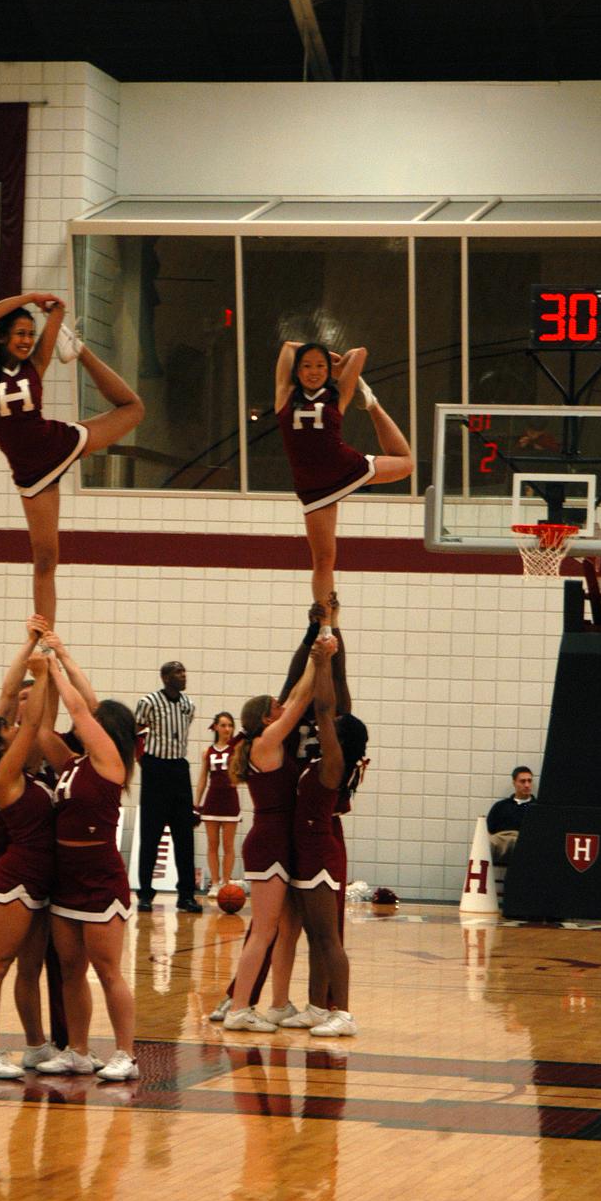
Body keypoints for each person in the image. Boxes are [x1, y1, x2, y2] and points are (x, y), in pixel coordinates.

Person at [0, 295, 144, 626]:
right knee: (45, 559)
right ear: (3, 337)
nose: (27, 340)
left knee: (133, 409)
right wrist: (32, 298)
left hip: (57, 444)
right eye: (20, 333)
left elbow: (59, 311)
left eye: (30, 334)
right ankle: (44, 640)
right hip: (32, 474)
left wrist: (56, 312)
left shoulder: (35, 365)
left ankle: (79, 351)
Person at [36, 642, 139, 1082]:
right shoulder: (74, 762)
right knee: (70, 969)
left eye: (96, 722)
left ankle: (125, 1053)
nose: (85, 723)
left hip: (99, 875)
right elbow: (44, 731)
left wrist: (53, 665)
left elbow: (81, 709)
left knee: (108, 970)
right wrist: (53, 664)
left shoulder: (110, 762)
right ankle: (78, 1051)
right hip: (66, 876)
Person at [222, 641, 333, 1033]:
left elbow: (296, 695)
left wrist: (315, 657)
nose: (282, 707)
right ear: (267, 718)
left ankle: (279, 1004)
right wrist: (318, 660)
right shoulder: (265, 743)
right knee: (264, 929)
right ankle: (238, 1009)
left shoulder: (265, 740)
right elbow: (300, 700)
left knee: (289, 930)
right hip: (268, 841)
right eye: (276, 705)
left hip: (282, 840)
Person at [275, 341, 413, 636]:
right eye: (307, 366)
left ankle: (373, 405)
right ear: (297, 370)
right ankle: (326, 627)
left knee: (406, 463)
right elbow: (287, 347)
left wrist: (336, 366)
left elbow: (360, 353)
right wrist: (324, 357)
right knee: (323, 559)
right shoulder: (284, 395)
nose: (314, 371)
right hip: (313, 488)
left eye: (320, 366)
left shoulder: (336, 396)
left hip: (343, 468)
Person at [0, 651, 57, 1081]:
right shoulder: (5, 774)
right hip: (16, 879)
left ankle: (36, 1046)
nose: (14, 727)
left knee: (30, 969)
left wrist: (48, 671)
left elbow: (41, 726)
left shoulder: (29, 773)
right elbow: (34, 724)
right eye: (7, 728)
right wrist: (40, 676)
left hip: (40, 879)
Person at [290, 644, 368, 1038]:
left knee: (328, 936)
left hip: (321, 851)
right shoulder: (328, 761)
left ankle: (345, 1013)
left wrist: (323, 664)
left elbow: (324, 708)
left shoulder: (334, 764)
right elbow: (330, 710)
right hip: (309, 850)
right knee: (315, 935)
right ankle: (317, 1006)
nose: (326, 726)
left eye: (334, 727)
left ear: (341, 738)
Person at [134, 661, 201, 914]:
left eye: (184, 671)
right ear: (165, 677)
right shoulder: (149, 702)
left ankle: (186, 895)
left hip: (179, 769)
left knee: (184, 836)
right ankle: (145, 894)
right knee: (150, 835)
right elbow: (136, 731)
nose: (183, 675)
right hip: (155, 768)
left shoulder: (188, 704)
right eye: (177, 672)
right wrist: (143, 760)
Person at [194, 712, 240, 897]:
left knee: (228, 846)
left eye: (230, 725)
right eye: (223, 725)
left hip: (230, 801)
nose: (227, 729)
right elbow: (202, 779)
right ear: (215, 727)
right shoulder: (208, 751)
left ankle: (226, 883)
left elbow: (242, 773)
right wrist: (196, 804)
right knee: (212, 845)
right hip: (212, 801)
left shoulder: (236, 749)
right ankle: (214, 883)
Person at [487, 766, 536, 865]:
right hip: (500, 841)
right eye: (522, 781)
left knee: (516, 843)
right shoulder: (500, 806)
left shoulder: (537, 808)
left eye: (529, 781)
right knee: (486, 843)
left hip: (524, 843)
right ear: (514, 783)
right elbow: (488, 830)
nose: (527, 785)